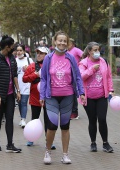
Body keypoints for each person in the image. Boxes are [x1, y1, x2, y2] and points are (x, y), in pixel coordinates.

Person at [39, 30, 85, 164]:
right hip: (51, 96)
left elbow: (77, 76)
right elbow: (44, 78)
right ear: (55, 42)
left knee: (65, 126)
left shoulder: (70, 58)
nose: (62, 43)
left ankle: (65, 154)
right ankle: (47, 152)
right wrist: (42, 95)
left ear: (67, 43)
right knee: (52, 126)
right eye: (60, 40)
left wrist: (81, 92)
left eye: (65, 41)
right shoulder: (48, 58)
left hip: (68, 96)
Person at [0, 35, 22, 153]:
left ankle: (10, 144)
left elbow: (14, 75)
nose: (14, 47)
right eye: (12, 46)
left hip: (10, 94)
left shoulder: (11, 58)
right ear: (7, 47)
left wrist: (18, 90)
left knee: (10, 118)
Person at [78, 42, 114, 153]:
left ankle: (105, 143)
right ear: (89, 51)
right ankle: (93, 143)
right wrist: (92, 69)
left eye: (98, 50)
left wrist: (111, 90)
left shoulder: (104, 62)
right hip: (88, 97)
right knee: (92, 120)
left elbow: (108, 77)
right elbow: (81, 77)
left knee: (102, 119)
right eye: (94, 50)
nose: (97, 52)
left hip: (102, 96)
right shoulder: (83, 63)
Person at [23, 46, 55, 149]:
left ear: (47, 55)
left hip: (48, 97)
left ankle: (49, 140)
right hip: (35, 98)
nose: (39, 55)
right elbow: (24, 79)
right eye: (38, 53)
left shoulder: (51, 66)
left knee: (48, 120)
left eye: (41, 53)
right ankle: (31, 138)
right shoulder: (32, 66)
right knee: (34, 118)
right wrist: (35, 75)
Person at [16, 44, 33, 128]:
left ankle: (23, 119)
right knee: (19, 103)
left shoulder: (29, 60)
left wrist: (28, 69)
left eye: (20, 50)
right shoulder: (14, 61)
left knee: (24, 102)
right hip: (17, 86)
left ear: (24, 51)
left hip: (26, 85)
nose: (19, 52)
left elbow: (34, 70)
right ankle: (22, 117)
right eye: (17, 50)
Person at [68, 38, 83, 119]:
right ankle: (69, 111)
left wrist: (80, 65)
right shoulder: (66, 52)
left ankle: (74, 112)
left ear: (73, 44)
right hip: (67, 75)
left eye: (69, 43)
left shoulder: (76, 50)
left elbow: (84, 56)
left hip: (74, 74)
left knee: (73, 93)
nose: (67, 45)